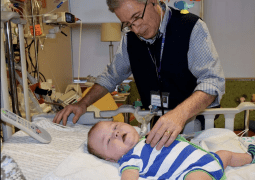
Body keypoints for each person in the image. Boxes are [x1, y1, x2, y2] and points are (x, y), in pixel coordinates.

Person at [53, 0, 225, 151]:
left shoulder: (191, 27)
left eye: (136, 17)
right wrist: (83, 104)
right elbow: (111, 76)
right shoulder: (130, 39)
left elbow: (211, 82)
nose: (136, 29)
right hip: (154, 124)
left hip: (194, 125)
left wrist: (179, 114)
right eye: (127, 23)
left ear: (153, 2)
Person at [87, 121, 255, 180]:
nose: (115, 133)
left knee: (226, 154)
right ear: (111, 159)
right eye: (109, 140)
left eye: (115, 126)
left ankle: (251, 157)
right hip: (192, 171)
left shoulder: (147, 137)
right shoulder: (129, 159)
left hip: (207, 159)